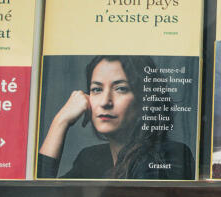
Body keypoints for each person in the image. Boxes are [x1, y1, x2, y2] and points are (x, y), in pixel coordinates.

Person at [38, 55, 194, 180]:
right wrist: (60, 121)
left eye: (121, 89)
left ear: (144, 99)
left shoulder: (169, 155)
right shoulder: (90, 158)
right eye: (97, 89)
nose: (105, 102)